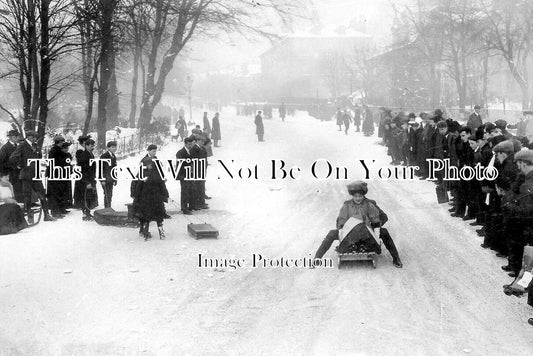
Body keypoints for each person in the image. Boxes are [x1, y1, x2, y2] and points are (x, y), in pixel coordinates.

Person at [313, 181, 403, 268]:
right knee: (332, 233)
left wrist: (376, 230)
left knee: (384, 232)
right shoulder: (347, 205)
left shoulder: (369, 204)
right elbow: (341, 219)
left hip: (366, 232)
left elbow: (376, 217)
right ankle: (317, 258)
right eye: (356, 196)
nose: (358, 198)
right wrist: (341, 230)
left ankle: (396, 258)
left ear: (363, 195)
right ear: (352, 196)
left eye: (360, 196)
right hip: (350, 232)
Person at [9, 130, 56, 223]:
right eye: (33, 137)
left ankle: (46, 215)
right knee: (27, 196)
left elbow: (39, 156)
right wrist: (21, 165)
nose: (35, 138)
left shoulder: (35, 145)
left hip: (36, 174)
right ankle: (30, 217)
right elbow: (12, 157)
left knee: (42, 193)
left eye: (36, 137)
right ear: (28, 136)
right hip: (26, 175)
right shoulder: (22, 145)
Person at [133, 156, 169, 241]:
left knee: (148, 217)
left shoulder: (143, 173)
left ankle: (151, 233)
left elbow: (137, 186)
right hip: (152, 199)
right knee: (154, 217)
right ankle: (154, 233)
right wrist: (165, 195)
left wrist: (136, 197)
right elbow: (162, 185)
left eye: (150, 164)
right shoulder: (157, 173)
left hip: (149, 199)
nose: (149, 166)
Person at [47, 137, 72, 218]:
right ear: (59, 142)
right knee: (56, 194)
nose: (63, 144)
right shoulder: (55, 150)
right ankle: (55, 212)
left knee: (60, 192)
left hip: (58, 173)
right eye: (62, 142)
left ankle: (60, 209)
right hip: (56, 174)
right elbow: (58, 161)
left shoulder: (56, 149)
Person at [78, 138, 98, 221]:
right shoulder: (84, 155)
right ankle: (85, 214)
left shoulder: (90, 154)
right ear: (86, 146)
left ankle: (88, 213)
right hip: (86, 180)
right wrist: (87, 182)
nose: (92, 147)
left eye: (93, 145)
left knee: (89, 197)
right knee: (86, 196)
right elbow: (84, 170)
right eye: (91, 146)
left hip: (91, 178)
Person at [0, 129, 23, 202]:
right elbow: (1, 162)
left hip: (17, 173)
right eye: (15, 136)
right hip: (9, 174)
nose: (17, 138)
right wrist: (13, 167)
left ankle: (19, 207)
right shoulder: (5, 148)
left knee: (18, 190)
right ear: (10, 137)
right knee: (12, 191)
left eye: (17, 136)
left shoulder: (16, 146)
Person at [176, 136, 196, 215]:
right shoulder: (180, 152)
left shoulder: (191, 151)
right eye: (188, 144)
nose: (190, 146)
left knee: (191, 189)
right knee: (185, 191)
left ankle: (190, 206)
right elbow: (179, 165)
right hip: (183, 174)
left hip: (190, 174)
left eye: (191, 144)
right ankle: (184, 208)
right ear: (185, 144)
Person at [100, 141, 118, 209]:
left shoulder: (113, 156)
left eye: (115, 147)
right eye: (112, 147)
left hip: (111, 178)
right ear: (108, 148)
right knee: (107, 194)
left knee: (110, 194)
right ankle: (107, 209)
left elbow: (114, 168)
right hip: (105, 179)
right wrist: (103, 179)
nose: (114, 148)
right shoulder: (104, 156)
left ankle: (108, 207)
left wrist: (115, 179)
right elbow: (102, 168)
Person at [73, 135, 90, 209]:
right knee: (81, 187)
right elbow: (81, 162)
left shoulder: (85, 150)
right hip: (81, 171)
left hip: (84, 171)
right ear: (83, 143)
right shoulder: (80, 151)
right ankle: (80, 203)